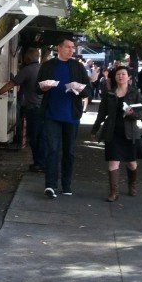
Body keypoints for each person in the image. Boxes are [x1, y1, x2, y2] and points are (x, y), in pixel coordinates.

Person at [36, 37, 91, 198]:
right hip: (51, 114)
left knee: (69, 151)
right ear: (58, 48)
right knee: (52, 149)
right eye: (68, 47)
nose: (71, 50)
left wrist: (79, 89)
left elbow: (88, 91)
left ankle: (66, 184)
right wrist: (44, 88)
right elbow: (37, 89)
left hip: (71, 115)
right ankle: (50, 185)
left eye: (72, 47)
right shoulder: (47, 66)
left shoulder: (78, 67)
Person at [90, 66, 142, 200]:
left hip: (130, 133)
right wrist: (95, 130)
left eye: (123, 74)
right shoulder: (109, 94)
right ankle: (114, 193)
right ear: (115, 77)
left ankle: (132, 184)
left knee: (131, 163)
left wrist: (132, 114)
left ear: (128, 77)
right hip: (112, 132)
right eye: (118, 74)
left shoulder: (135, 93)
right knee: (113, 162)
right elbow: (101, 113)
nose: (120, 76)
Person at [0, 47, 46, 172]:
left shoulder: (27, 70)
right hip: (45, 109)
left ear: (28, 58)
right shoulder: (43, 68)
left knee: (34, 137)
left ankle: (39, 164)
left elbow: (12, 83)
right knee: (42, 137)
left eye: (24, 57)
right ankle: (42, 163)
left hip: (34, 109)